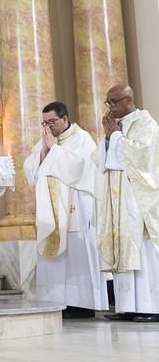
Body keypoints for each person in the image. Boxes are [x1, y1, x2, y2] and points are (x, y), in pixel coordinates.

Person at [23, 102, 107, 318]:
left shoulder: (81, 138)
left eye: (52, 121)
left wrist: (54, 149)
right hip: (52, 211)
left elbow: (78, 169)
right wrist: (44, 149)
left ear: (65, 119)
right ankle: (57, 302)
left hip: (75, 208)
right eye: (45, 122)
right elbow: (31, 171)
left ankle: (83, 305)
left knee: (78, 255)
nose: (48, 126)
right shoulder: (46, 140)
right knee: (55, 261)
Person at [97, 84, 159, 322]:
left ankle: (151, 307)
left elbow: (142, 158)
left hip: (138, 200)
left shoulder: (146, 124)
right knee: (123, 247)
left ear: (128, 99)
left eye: (114, 102)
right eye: (108, 102)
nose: (110, 107)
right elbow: (101, 161)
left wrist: (114, 137)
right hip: (119, 201)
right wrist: (107, 139)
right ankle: (126, 307)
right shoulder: (116, 127)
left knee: (142, 251)